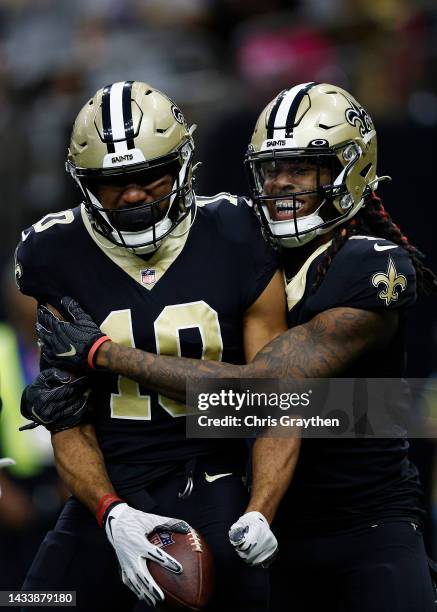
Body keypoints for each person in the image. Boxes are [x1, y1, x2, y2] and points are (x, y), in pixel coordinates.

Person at [34, 82, 437, 611]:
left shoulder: (372, 265)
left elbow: (265, 391)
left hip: (365, 519)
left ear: (350, 169)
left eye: (302, 169)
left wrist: (104, 357)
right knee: (33, 599)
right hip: (267, 522)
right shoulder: (246, 243)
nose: (282, 185)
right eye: (272, 169)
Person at [15, 80, 287, 611]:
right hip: (114, 479)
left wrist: (261, 508)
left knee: (239, 588)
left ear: (185, 165)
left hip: (213, 473)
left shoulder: (237, 230)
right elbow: (65, 413)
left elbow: (274, 398)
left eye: (148, 176)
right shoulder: (53, 251)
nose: (134, 194)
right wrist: (109, 511)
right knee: (36, 601)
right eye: (112, 182)